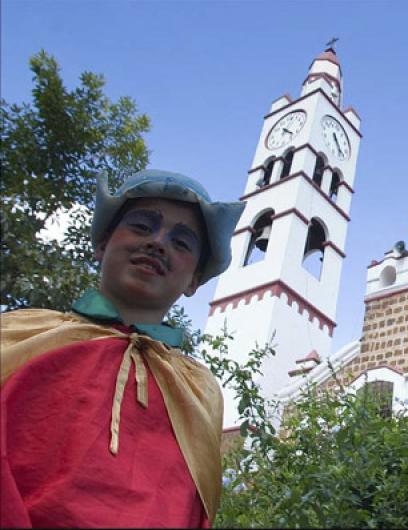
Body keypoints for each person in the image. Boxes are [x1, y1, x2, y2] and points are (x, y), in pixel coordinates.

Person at [0, 170, 245, 528]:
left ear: (194, 280)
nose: (159, 243)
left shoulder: (199, 390)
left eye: (182, 243)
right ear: (102, 244)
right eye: (143, 226)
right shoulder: (17, 334)